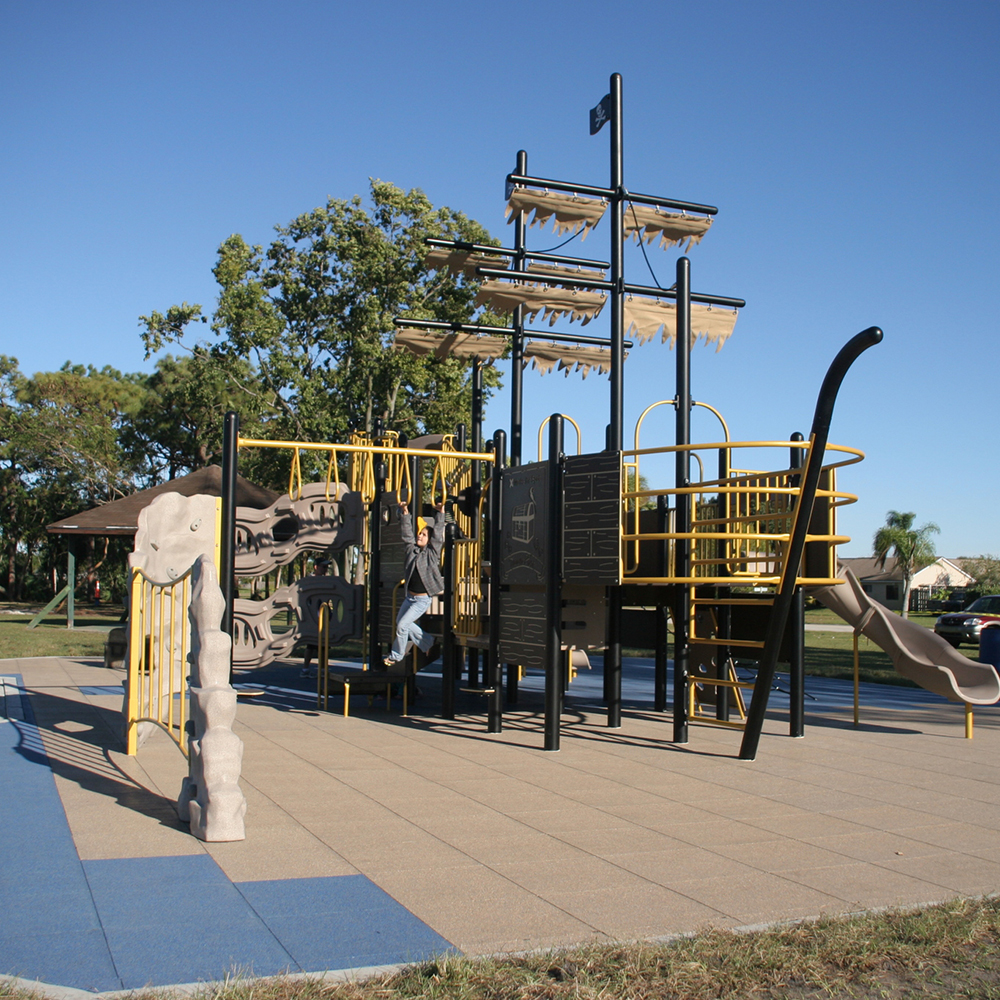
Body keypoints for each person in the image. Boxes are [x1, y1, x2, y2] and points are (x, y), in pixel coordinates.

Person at [384, 501, 444, 669]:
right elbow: (406, 534)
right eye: (420, 533)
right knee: (402, 623)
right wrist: (404, 512)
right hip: (410, 597)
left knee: (402, 626)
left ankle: (397, 655)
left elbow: (438, 534)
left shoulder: (432, 554)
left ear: (429, 539)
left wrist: (440, 514)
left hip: (422, 600)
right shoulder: (412, 550)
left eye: (424, 535)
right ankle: (428, 641)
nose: (419, 536)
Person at [300, 558, 330, 679]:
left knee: (324, 644)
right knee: (311, 645)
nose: (325, 569)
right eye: (323, 567)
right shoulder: (309, 581)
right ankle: (305, 669)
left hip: (324, 615)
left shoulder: (327, 581)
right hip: (312, 616)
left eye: (326, 567)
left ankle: (322, 669)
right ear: (316, 567)